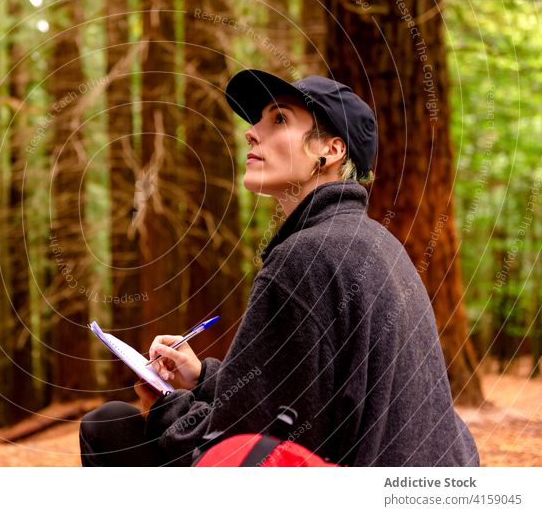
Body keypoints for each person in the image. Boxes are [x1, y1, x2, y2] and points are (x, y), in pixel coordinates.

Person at [79, 69, 480, 467]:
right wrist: (202, 379)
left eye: (279, 119)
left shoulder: (304, 258)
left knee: (109, 426)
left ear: (331, 150)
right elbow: (301, 398)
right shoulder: (372, 242)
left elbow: (236, 445)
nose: (252, 132)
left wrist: (170, 404)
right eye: (257, 121)